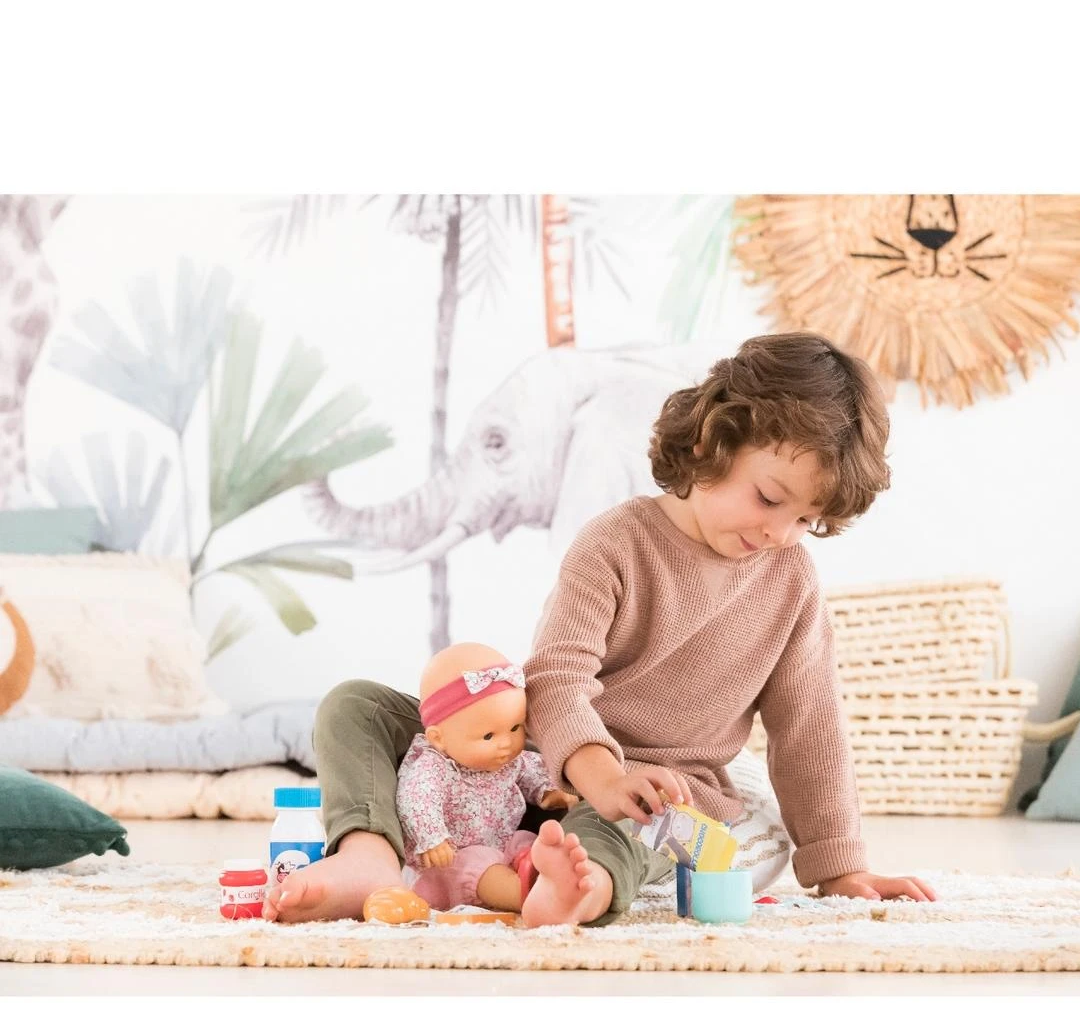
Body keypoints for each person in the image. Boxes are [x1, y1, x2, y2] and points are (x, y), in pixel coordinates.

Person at [264, 331, 936, 925]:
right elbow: (556, 677)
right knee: (357, 707)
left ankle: (575, 891)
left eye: (807, 520)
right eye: (769, 498)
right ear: (712, 442)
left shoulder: (791, 581)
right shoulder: (614, 543)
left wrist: (841, 868)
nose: (779, 533)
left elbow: (809, 726)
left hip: (661, 793)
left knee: (639, 830)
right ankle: (368, 856)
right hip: (532, 764)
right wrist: (599, 774)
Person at [394, 642, 576, 913]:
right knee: (478, 865)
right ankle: (527, 896)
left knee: (525, 841)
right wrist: (433, 839)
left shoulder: (506, 760)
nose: (507, 743)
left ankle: (546, 871)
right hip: (448, 861)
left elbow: (529, 768)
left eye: (515, 728)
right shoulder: (434, 768)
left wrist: (549, 791)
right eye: (489, 736)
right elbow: (416, 798)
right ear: (439, 738)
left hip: (500, 843)